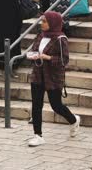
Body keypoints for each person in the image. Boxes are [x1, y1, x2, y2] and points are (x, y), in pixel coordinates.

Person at [27, 11, 80, 147]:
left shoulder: (61, 38)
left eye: (44, 21)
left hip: (53, 76)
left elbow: (64, 60)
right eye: (42, 21)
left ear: (53, 23)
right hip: (38, 74)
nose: (42, 24)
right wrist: (33, 55)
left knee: (56, 105)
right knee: (36, 105)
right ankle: (37, 135)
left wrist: (48, 58)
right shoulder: (40, 35)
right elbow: (34, 49)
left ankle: (73, 120)